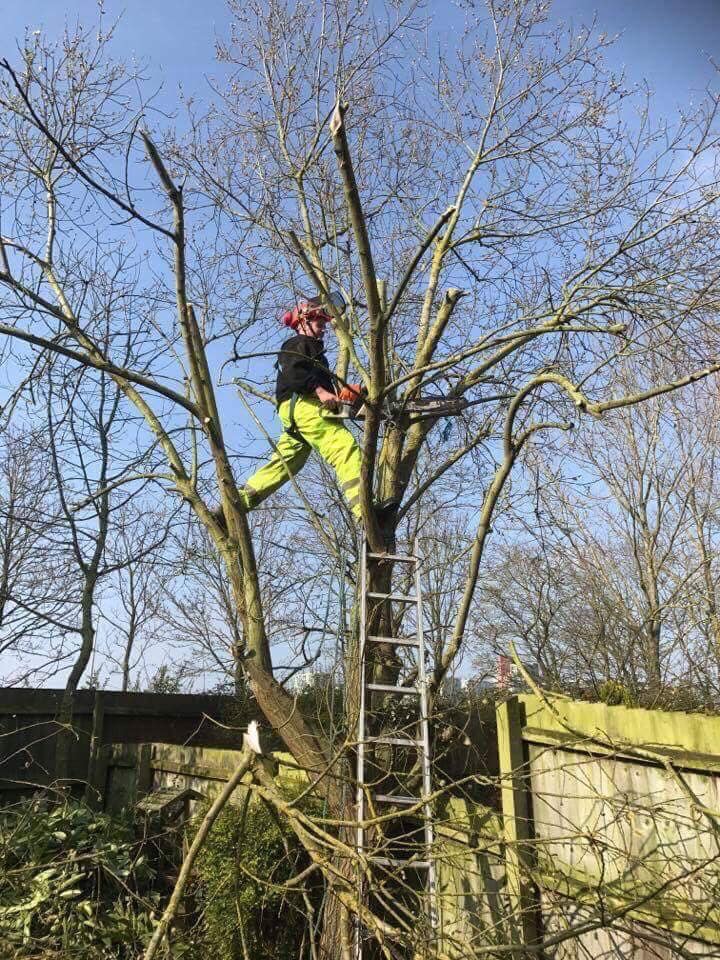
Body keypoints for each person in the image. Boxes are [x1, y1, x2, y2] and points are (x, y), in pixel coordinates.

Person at [224, 294, 394, 524]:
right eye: (319, 323)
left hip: (295, 411)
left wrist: (349, 393)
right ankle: (365, 511)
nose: (323, 328)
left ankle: (235, 506)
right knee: (344, 448)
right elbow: (294, 372)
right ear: (304, 321)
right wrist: (321, 392)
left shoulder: (314, 353)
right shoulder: (297, 345)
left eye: (324, 324)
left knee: (286, 463)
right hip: (304, 405)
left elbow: (310, 379)